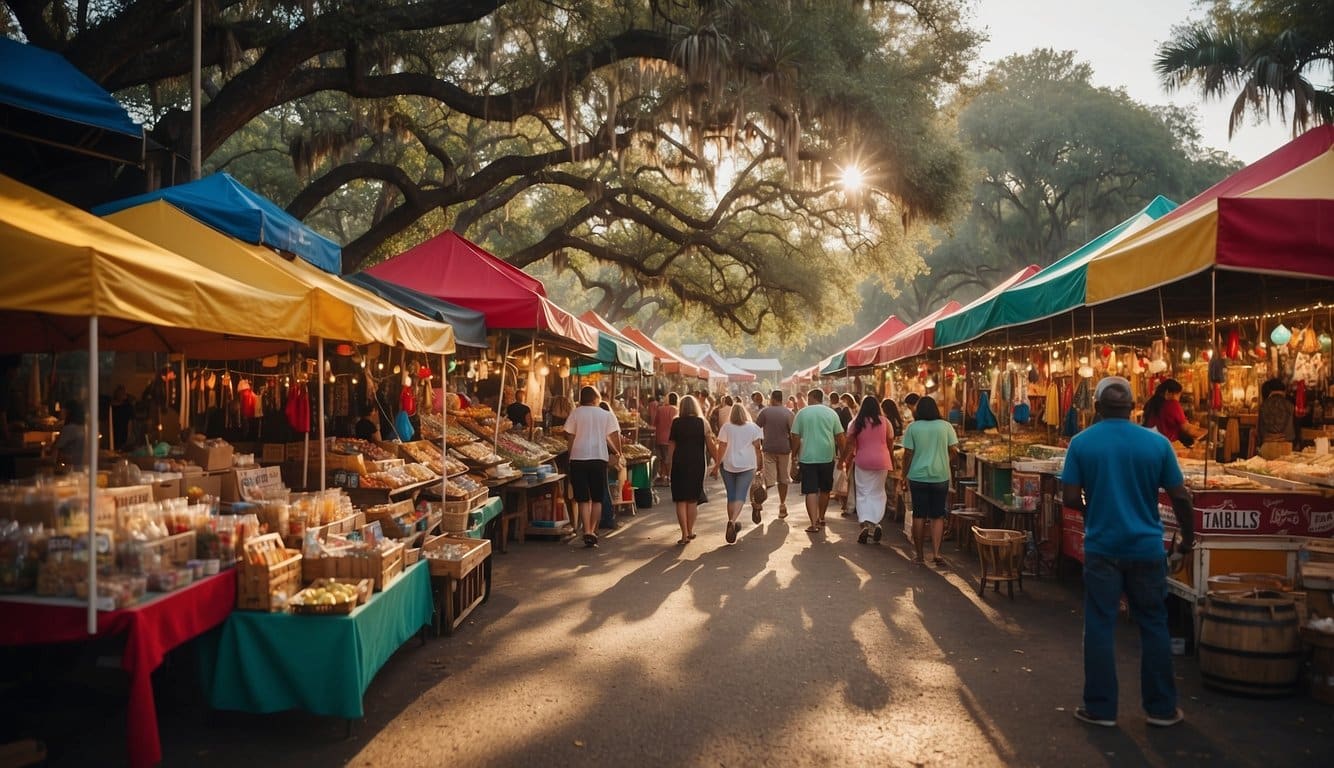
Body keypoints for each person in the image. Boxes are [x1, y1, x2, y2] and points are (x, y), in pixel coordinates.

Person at [1062, 376, 1194, 729]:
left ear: (1098, 407)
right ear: (1134, 406)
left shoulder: (1081, 443)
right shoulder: (1157, 444)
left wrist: (1094, 508)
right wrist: (1189, 539)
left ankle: (1102, 709)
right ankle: (1162, 708)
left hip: (1102, 546)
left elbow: (1071, 498)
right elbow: (1181, 496)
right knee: (1153, 625)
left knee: (1100, 624)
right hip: (1147, 548)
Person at [562, 386, 623, 548]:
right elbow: (614, 435)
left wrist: (570, 455)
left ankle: (587, 530)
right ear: (596, 398)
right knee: (597, 498)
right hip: (599, 458)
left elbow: (570, 437)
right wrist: (619, 453)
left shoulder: (576, 413)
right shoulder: (605, 415)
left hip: (578, 458)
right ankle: (593, 531)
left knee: (582, 498)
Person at [899, 396, 957, 566]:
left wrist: (903, 475)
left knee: (919, 515)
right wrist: (944, 459)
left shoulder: (913, 428)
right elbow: (954, 450)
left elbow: (907, 455)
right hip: (940, 476)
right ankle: (937, 553)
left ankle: (919, 555)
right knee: (937, 515)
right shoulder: (945, 426)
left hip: (917, 477)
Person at [789, 388, 845, 533]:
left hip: (807, 457)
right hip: (827, 456)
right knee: (825, 490)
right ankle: (821, 517)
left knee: (810, 491)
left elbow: (795, 437)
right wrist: (844, 456)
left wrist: (793, 455)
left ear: (811, 397)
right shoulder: (831, 413)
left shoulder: (802, 413)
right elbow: (840, 436)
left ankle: (813, 524)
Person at [841, 395, 894, 544]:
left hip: (863, 460)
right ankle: (875, 522)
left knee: (863, 492)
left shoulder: (856, 422)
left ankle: (866, 522)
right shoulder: (885, 422)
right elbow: (890, 443)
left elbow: (849, 444)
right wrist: (892, 461)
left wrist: (844, 460)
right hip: (882, 461)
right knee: (878, 492)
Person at [667, 395, 714, 545]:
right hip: (697, 462)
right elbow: (710, 444)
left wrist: (669, 464)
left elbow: (672, 446)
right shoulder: (703, 423)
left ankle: (684, 534)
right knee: (692, 499)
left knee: (680, 499)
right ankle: (691, 530)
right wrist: (718, 462)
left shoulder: (676, 423)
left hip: (679, 462)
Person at [714, 403, 764, 543]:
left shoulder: (726, 427)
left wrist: (717, 464)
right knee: (741, 494)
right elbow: (758, 448)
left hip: (728, 464)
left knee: (731, 495)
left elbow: (721, 446)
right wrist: (760, 464)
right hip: (747, 465)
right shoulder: (753, 427)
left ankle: (733, 524)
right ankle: (732, 521)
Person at [756, 390, 795, 519]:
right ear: (782, 399)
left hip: (768, 449)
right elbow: (793, 433)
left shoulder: (765, 412)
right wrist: (794, 452)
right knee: (783, 479)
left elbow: (756, 428)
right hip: (784, 449)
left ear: (772, 399)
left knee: (768, 479)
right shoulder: (789, 413)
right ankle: (782, 505)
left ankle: (758, 502)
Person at [1143, 379, 1206, 447]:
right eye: (1178, 395)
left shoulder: (1152, 403)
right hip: (1165, 447)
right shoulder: (1172, 404)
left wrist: (1198, 429)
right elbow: (1187, 429)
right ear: (1168, 392)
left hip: (1150, 445)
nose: (1178, 399)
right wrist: (1205, 433)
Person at [1258, 378, 1296, 459]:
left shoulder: (1263, 406)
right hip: (1287, 447)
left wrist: (1270, 437)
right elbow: (1295, 431)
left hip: (1266, 447)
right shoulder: (1290, 405)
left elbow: (1260, 431)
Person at [653, 392, 679, 483]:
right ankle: (669, 477)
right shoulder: (675, 410)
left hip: (659, 437)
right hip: (670, 438)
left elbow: (655, 423)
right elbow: (675, 424)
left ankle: (663, 476)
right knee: (669, 458)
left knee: (662, 458)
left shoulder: (660, 409)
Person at [53, 400, 87, 467]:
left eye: (63, 409)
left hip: (70, 466)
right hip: (82, 465)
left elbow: (55, 450)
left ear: (68, 412)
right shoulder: (84, 427)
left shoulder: (69, 429)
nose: (60, 412)